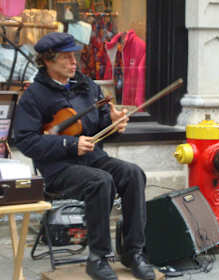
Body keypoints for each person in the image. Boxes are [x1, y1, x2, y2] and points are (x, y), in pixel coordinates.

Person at [13, 32, 155, 280]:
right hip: (58, 169)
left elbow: (99, 128)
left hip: (92, 159)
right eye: (66, 57)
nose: (74, 62)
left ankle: (134, 252)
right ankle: (98, 258)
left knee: (133, 174)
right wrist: (69, 144)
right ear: (48, 60)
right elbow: (26, 141)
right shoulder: (34, 95)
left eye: (74, 56)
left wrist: (113, 124)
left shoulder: (86, 86)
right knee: (100, 181)